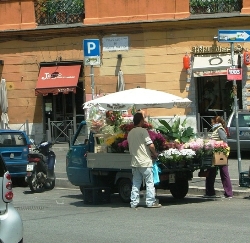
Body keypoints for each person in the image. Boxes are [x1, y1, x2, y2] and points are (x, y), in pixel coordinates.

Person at [127, 112, 162, 208]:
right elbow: (150, 144)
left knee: (136, 183)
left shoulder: (130, 133)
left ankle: (133, 202)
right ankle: (150, 202)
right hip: (145, 161)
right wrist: (155, 153)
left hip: (135, 162)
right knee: (149, 182)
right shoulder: (143, 131)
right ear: (141, 121)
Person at [204, 116, 233, 199]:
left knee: (224, 172)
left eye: (212, 122)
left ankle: (228, 193)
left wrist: (216, 144)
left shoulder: (220, 129)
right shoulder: (216, 130)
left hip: (220, 153)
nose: (211, 124)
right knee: (211, 172)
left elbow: (224, 141)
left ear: (216, 122)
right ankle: (210, 192)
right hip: (215, 154)